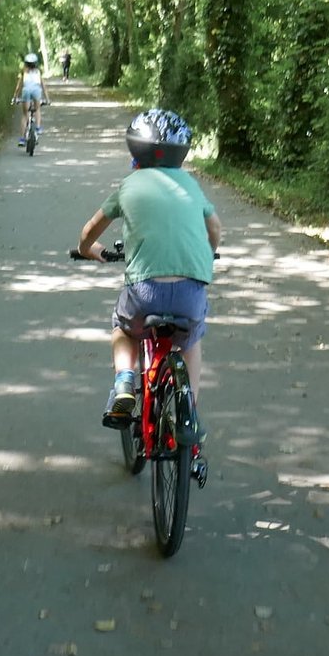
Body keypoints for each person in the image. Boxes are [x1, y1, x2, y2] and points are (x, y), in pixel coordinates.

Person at [75, 109, 221, 433]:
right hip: (189, 293)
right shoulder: (190, 184)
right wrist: (206, 254)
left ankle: (125, 381)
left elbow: (89, 232)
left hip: (144, 293)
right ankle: (190, 415)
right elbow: (214, 226)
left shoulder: (129, 184)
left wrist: (89, 251)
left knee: (123, 328)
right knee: (191, 340)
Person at [13, 53, 49, 146]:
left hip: (26, 91)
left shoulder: (23, 73)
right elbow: (43, 86)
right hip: (37, 91)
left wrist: (15, 98)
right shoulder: (38, 72)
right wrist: (47, 99)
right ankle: (38, 127)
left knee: (25, 115)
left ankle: (22, 139)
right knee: (37, 109)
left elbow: (18, 87)